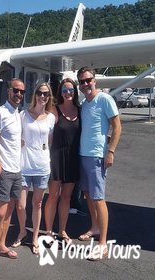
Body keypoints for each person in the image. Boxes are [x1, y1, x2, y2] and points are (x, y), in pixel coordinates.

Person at [76, 66, 122, 261]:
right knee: (87, 195)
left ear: (95, 80)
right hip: (83, 155)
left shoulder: (105, 99)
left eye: (88, 80)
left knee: (98, 198)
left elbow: (117, 126)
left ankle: (102, 243)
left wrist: (110, 151)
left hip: (96, 157)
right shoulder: (85, 104)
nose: (85, 84)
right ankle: (94, 227)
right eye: (82, 81)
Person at [0, 78, 25, 273]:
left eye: (22, 92)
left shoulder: (17, 114)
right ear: (9, 91)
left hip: (16, 170)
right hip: (4, 170)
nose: (19, 94)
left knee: (9, 212)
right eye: (16, 90)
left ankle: (2, 246)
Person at [18, 82, 55, 255]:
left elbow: (50, 142)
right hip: (24, 166)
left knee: (37, 204)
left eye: (46, 94)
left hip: (42, 168)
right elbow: (13, 135)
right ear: (35, 95)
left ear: (49, 97)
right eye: (40, 93)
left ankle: (34, 238)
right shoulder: (23, 115)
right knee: (20, 205)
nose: (42, 96)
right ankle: (22, 231)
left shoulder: (50, 118)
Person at [44, 78, 81, 245]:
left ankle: (62, 230)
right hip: (57, 158)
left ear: (75, 92)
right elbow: (44, 131)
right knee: (53, 196)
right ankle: (49, 231)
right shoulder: (54, 110)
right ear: (60, 92)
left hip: (73, 159)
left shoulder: (80, 111)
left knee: (66, 197)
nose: (68, 93)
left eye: (71, 90)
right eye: (65, 90)